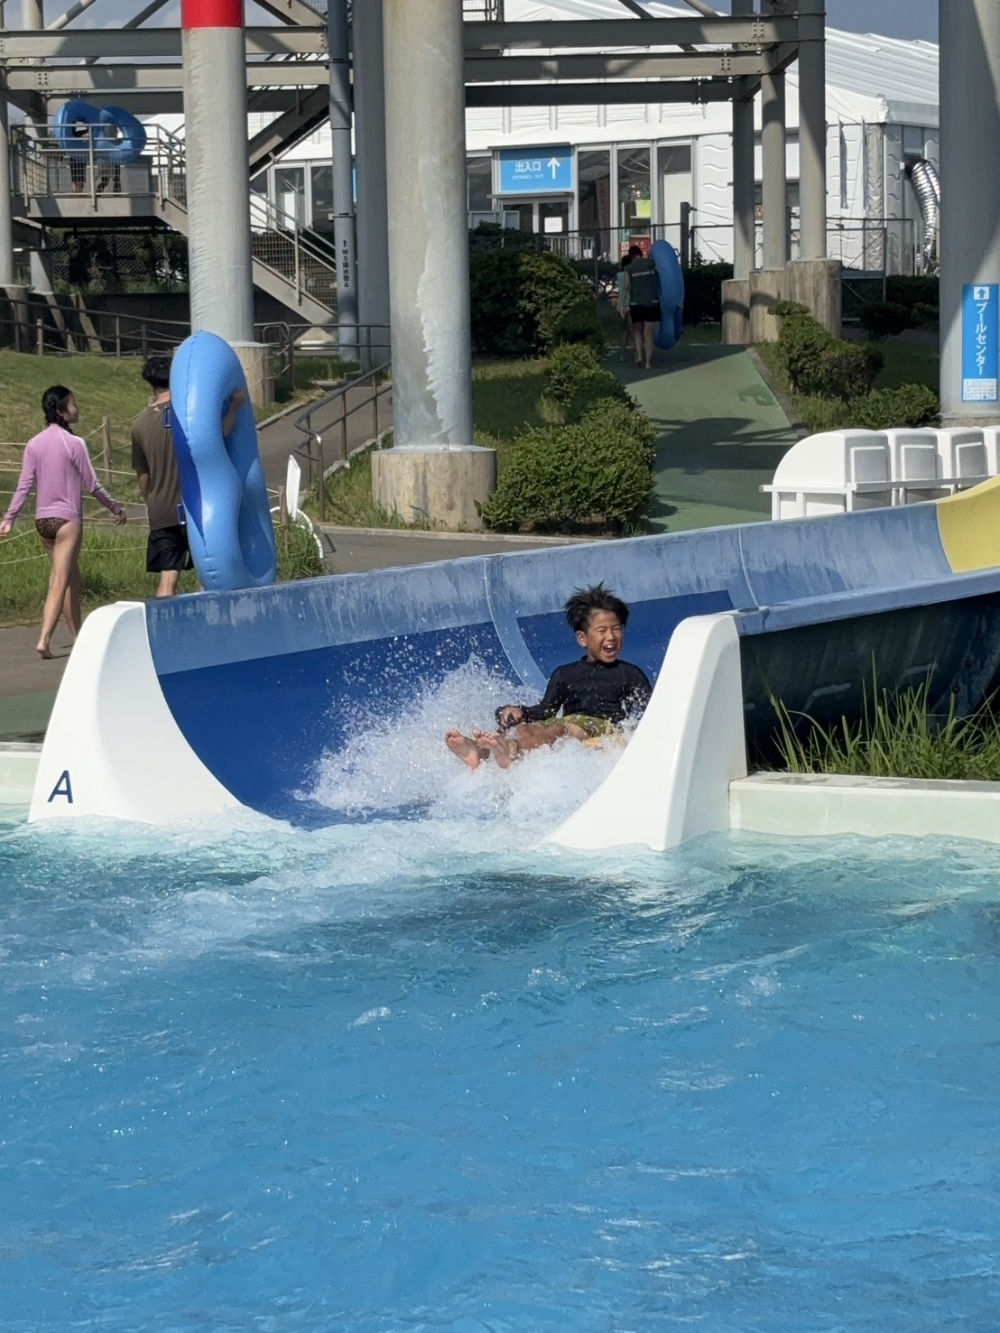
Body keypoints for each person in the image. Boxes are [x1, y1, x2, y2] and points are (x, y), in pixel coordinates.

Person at [445, 583, 652, 769]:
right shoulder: (565, 674)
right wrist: (518, 712)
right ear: (582, 638)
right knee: (525, 728)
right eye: (602, 630)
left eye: (616, 629)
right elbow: (545, 711)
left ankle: (510, 749)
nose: (611, 636)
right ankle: (478, 751)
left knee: (562, 730)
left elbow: (650, 712)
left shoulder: (630, 674)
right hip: (566, 724)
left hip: (599, 729)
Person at [0, 385, 127, 659]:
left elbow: (24, 486)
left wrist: (9, 518)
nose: (76, 408)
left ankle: (79, 636)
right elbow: (93, 485)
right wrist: (116, 508)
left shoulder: (34, 444)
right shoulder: (74, 443)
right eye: (73, 404)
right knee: (60, 580)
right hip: (67, 519)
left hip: (43, 520)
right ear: (61, 411)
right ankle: (44, 639)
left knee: (71, 577)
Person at [131, 354, 190, 598]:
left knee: (168, 578)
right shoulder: (187, 413)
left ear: (151, 384)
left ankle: (164, 620)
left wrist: (150, 499)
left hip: (161, 510)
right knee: (211, 571)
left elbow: (143, 474)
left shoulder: (140, 424)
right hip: (195, 506)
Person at [624, 243, 661, 371]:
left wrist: (624, 304)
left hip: (636, 303)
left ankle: (640, 357)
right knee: (648, 334)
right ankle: (648, 363)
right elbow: (660, 277)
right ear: (640, 254)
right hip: (651, 302)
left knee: (637, 332)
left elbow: (626, 287)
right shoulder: (651, 264)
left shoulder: (629, 268)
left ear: (631, 256)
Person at [615, 252, 632, 361]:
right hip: (630, 304)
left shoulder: (619, 275)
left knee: (625, 330)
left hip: (622, 305)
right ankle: (638, 354)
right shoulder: (630, 274)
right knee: (634, 330)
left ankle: (622, 354)